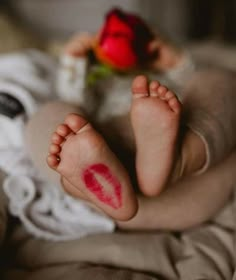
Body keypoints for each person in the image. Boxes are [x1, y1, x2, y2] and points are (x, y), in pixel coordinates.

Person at [44, 21, 236, 226]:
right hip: (112, 148)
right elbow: (75, 101)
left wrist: (176, 63)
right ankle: (82, 182)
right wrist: (74, 63)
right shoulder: (99, 81)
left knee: (217, 79)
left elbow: (193, 83)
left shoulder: (163, 78)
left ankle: (180, 159)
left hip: (187, 180)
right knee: (56, 111)